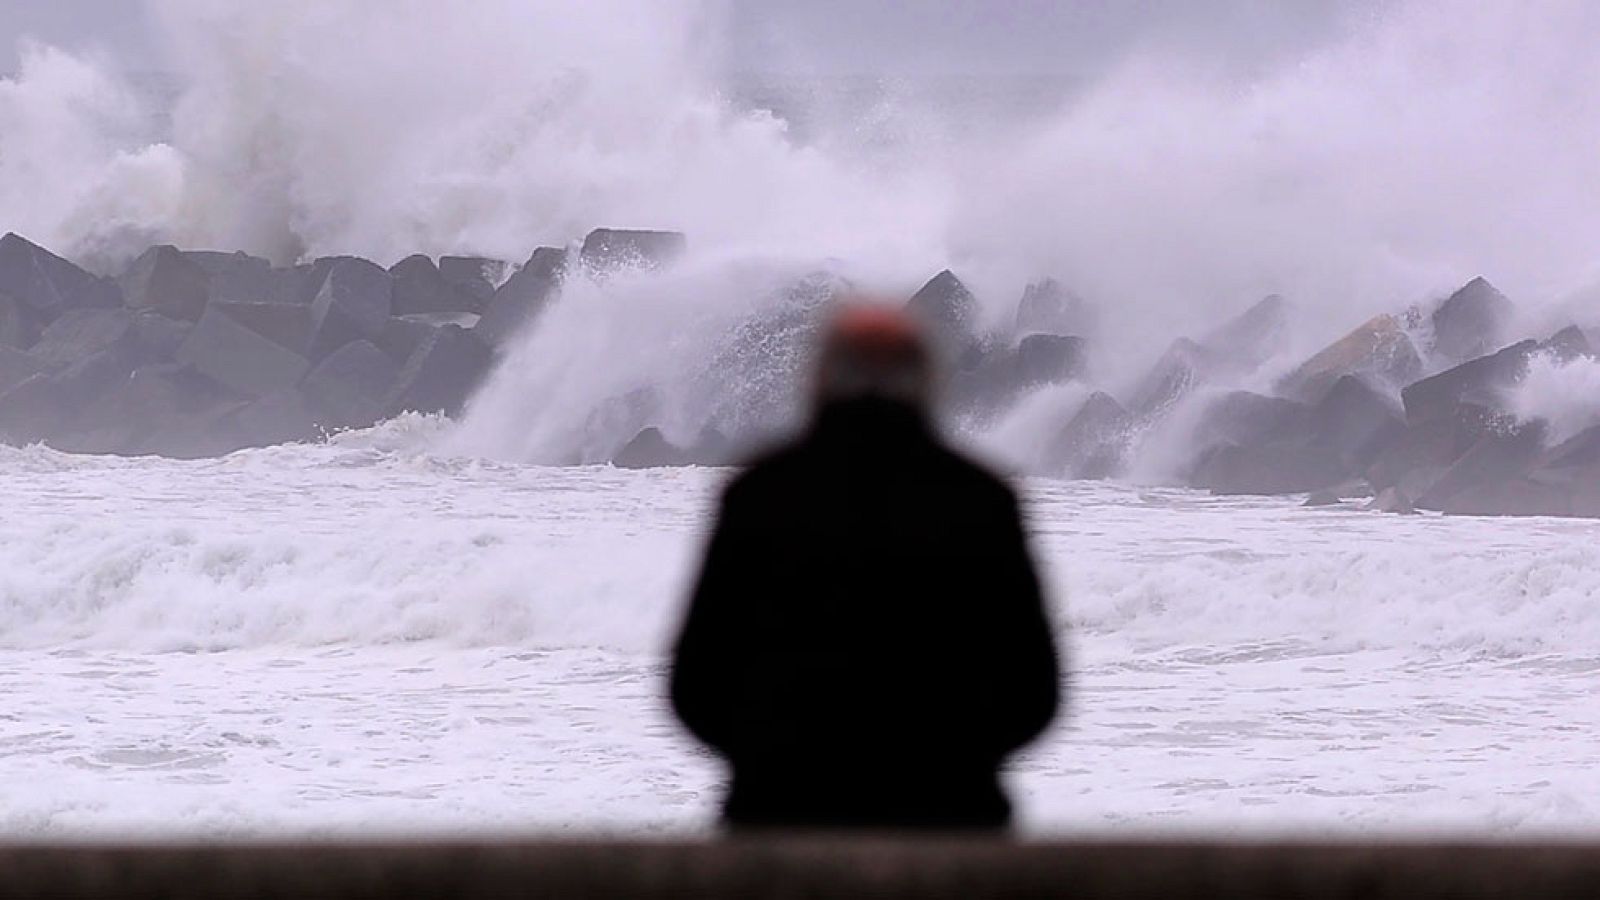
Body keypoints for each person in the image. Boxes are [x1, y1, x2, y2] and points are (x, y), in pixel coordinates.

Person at [670, 302, 1061, 831]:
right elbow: (1034, 691)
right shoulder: (980, 499)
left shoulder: (761, 493)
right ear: (926, 378)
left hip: (779, 817)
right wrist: (956, 757)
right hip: (951, 820)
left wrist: (771, 755)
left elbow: (695, 686)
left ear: (820, 377)